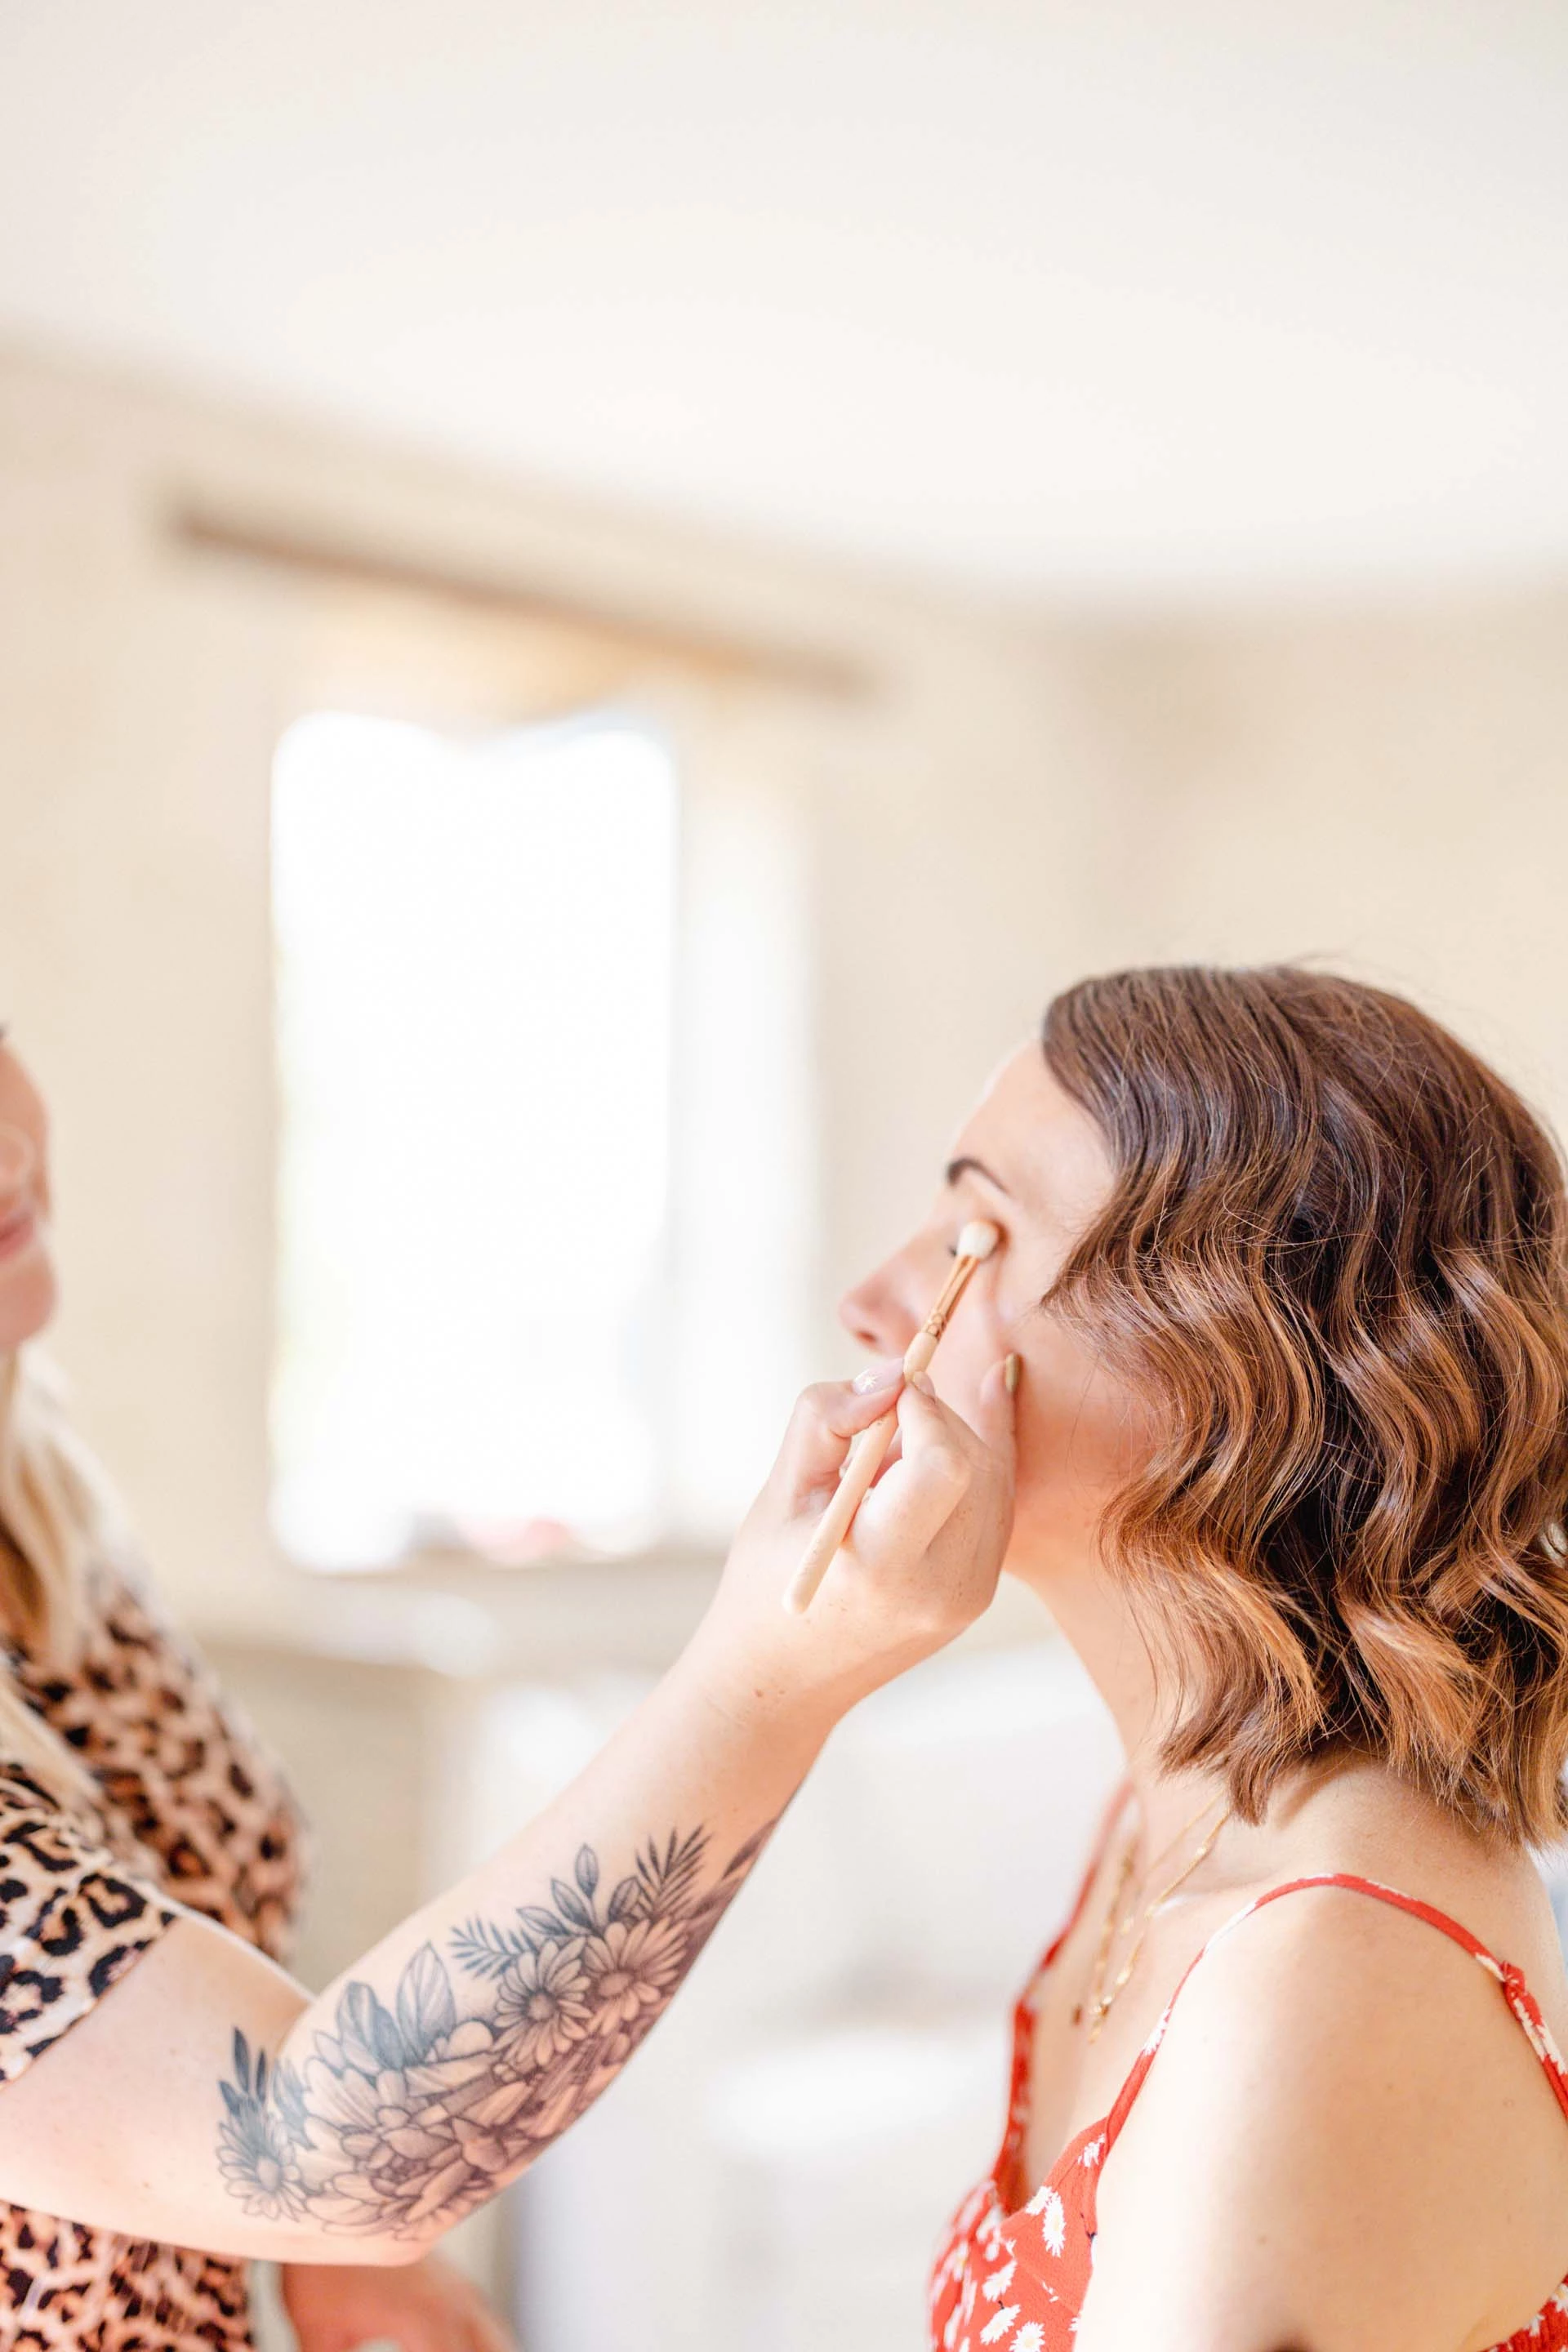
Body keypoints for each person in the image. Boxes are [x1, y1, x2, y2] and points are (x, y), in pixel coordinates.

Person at [0, 1022, 1019, 2350]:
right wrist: (774, 1674)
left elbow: (172, 1960)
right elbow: (310, 2154)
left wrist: (321, 2255)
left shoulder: (34, 1481)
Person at [835, 965, 1568, 2352]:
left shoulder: (1321, 1972)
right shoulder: (1164, 1826)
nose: (870, 1300)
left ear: (1219, 1359)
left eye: (973, 1239)